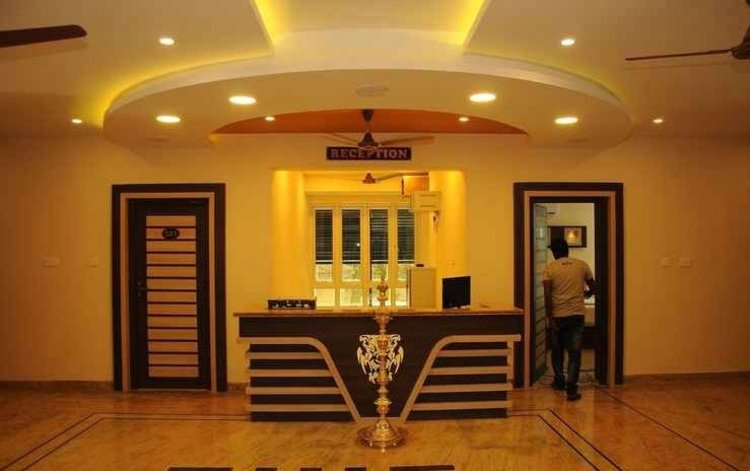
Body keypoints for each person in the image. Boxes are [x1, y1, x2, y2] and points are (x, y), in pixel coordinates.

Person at [542, 237, 597, 401]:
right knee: (575, 353)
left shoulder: (550, 268)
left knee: (557, 350)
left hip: (558, 316)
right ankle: (571, 388)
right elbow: (594, 287)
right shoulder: (582, 265)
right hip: (576, 315)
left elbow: (547, 295)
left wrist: (549, 317)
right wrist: (586, 294)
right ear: (567, 250)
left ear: (554, 252)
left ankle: (559, 381)